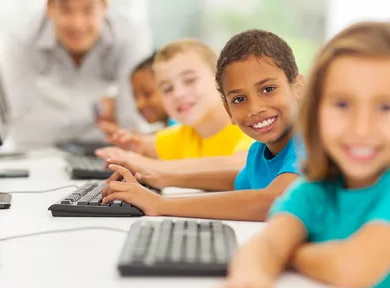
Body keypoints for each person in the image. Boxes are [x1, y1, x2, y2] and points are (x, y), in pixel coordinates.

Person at [208, 21, 390, 288]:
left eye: (385, 106)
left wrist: (290, 254)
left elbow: (351, 266)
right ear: (317, 109)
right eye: (342, 104)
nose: (361, 128)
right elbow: (263, 246)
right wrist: (250, 277)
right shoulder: (317, 186)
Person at [101, 30, 304, 221]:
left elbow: (271, 201)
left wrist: (160, 204)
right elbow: (235, 180)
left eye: (268, 89)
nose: (255, 108)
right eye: (239, 99)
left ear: (298, 88)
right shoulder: (259, 152)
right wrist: (160, 177)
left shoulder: (311, 143)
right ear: (228, 110)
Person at [2, 0, 151, 148]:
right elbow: (19, 124)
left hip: (103, 150)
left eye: (88, 10)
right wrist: (97, 112)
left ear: (104, 6)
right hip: (47, 150)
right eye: (65, 10)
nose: (77, 24)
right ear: (49, 8)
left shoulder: (130, 35)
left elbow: (131, 125)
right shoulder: (23, 40)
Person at [95, 38, 253, 161]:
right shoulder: (182, 136)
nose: (178, 93)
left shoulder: (249, 127)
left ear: (221, 79)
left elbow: (238, 166)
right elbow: (144, 146)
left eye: (189, 80)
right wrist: (132, 148)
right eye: (167, 89)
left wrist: (153, 168)